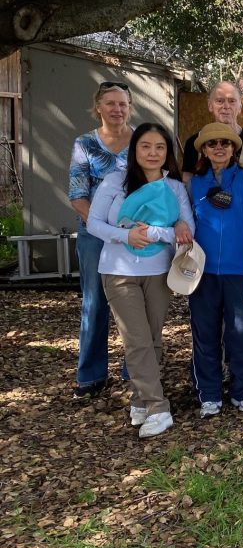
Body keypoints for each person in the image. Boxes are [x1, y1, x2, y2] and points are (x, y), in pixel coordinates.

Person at [87, 123, 193, 438]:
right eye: (145, 146)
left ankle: (140, 399)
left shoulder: (174, 187)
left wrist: (152, 232)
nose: (152, 153)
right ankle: (158, 407)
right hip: (119, 272)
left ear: (167, 153)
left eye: (159, 147)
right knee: (136, 339)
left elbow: (187, 230)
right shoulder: (115, 181)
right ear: (134, 149)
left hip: (159, 272)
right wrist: (125, 235)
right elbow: (93, 223)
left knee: (153, 338)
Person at [181, 81, 243, 394]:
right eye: (218, 100)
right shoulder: (194, 179)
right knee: (205, 330)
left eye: (231, 100)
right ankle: (208, 388)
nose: (225, 105)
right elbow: (184, 213)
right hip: (203, 268)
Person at [68, 81, 134, 399]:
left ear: (130, 107)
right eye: (110, 103)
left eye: (122, 103)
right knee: (95, 303)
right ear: (99, 107)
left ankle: (134, 371)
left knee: (135, 304)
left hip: (136, 236)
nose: (117, 109)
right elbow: (78, 194)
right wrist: (102, 226)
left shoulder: (142, 142)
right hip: (94, 234)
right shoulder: (85, 144)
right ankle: (91, 375)